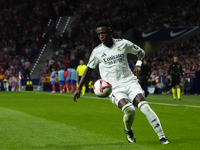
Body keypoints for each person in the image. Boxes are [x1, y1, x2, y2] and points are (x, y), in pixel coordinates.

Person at [73, 20, 169, 145]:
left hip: (130, 82)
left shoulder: (123, 43)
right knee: (130, 110)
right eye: (99, 34)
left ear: (110, 32)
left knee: (145, 107)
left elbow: (141, 52)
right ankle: (128, 130)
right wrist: (79, 87)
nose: (101, 36)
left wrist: (138, 64)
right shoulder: (97, 52)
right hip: (113, 88)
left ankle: (162, 137)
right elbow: (89, 70)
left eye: (104, 33)